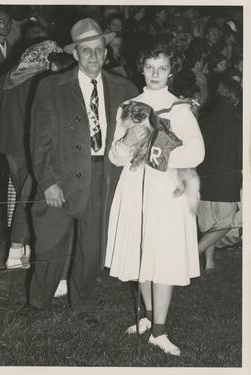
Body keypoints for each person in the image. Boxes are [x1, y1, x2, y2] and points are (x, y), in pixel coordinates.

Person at [25, 18, 138, 315]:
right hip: (60, 176)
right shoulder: (51, 87)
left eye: (98, 50)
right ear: (74, 54)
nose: (93, 57)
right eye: (85, 51)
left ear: (106, 52)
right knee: (49, 244)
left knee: (93, 246)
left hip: (103, 176)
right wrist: (48, 181)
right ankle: (38, 302)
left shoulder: (124, 88)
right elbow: (39, 141)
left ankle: (84, 303)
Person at [105, 41, 205, 356]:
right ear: (142, 68)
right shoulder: (129, 105)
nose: (155, 74)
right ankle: (148, 319)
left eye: (162, 68)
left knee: (163, 256)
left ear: (171, 71)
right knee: (141, 254)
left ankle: (160, 332)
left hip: (167, 191)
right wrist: (125, 140)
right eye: (150, 67)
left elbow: (197, 151)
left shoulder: (180, 108)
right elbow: (115, 156)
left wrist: (156, 154)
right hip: (135, 188)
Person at [0, 40, 63, 270]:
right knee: (30, 196)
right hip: (30, 146)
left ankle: (20, 250)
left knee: (26, 195)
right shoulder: (40, 79)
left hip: (7, 145)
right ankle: (18, 251)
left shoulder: (12, 75)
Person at [197, 78, 242, 271]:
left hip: (204, 180)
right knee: (224, 224)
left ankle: (209, 263)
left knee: (208, 225)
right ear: (237, 98)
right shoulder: (240, 122)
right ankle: (192, 254)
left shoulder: (204, 119)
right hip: (227, 182)